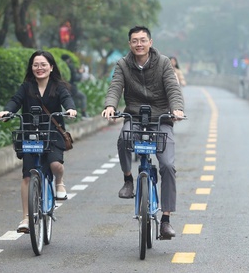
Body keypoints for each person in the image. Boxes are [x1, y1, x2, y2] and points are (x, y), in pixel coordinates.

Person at [101, 26, 185, 239]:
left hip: (161, 120)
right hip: (135, 118)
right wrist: (110, 106)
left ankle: (166, 219)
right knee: (123, 140)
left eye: (143, 40)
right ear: (130, 44)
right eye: (134, 41)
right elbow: (115, 87)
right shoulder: (122, 64)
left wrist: (177, 109)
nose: (139, 44)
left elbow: (173, 89)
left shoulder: (164, 63)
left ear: (150, 42)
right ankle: (128, 179)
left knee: (167, 165)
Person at [0, 50, 77, 234]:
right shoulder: (26, 87)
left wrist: (71, 109)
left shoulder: (58, 87)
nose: (39, 68)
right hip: (30, 134)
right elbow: (15, 101)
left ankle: (59, 182)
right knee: (27, 175)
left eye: (43, 65)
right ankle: (25, 218)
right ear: (31, 67)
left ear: (51, 67)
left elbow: (67, 100)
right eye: (35, 65)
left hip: (52, 133)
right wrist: (6, 112)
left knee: (56, 165)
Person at [62, 54, 89, 118]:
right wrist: (81, 75)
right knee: (83, 97)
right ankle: (83, 113)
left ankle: (71, 116)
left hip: (64, 88)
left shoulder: (62, 67)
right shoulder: (70, 66)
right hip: (72, 88)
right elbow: (74, 78)